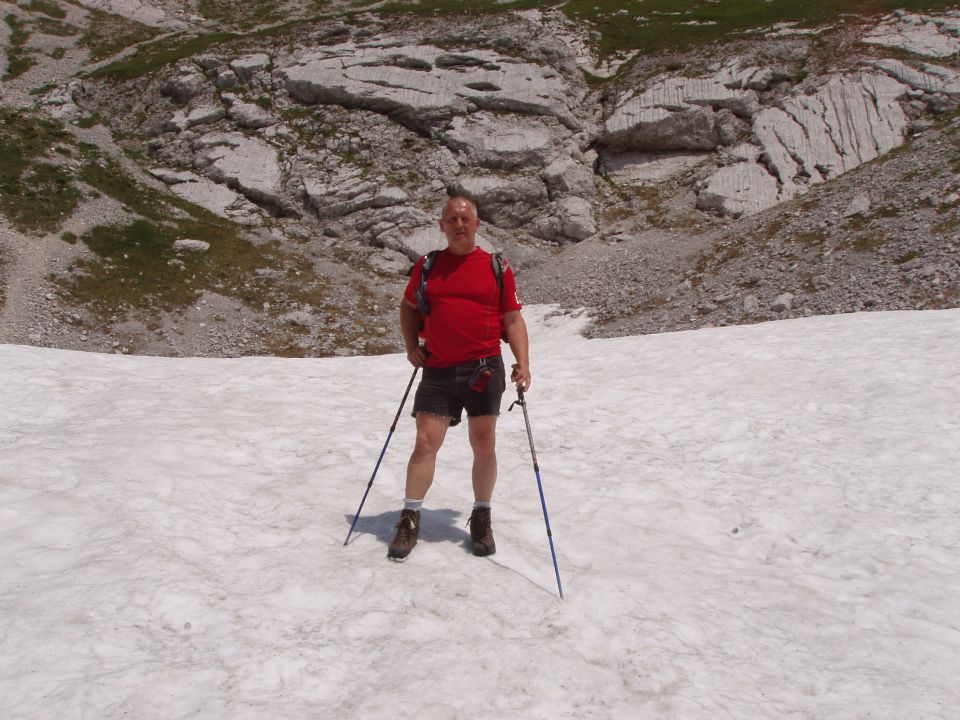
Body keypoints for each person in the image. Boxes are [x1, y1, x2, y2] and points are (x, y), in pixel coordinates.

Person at [388, 195, 531, 561]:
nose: (459, 224)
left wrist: (523, 363)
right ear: (441, 225)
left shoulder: (497, 267)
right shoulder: (428, 265)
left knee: (483, 445)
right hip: (438, 368)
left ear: (478, 224)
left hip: (484, 368)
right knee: (424, 443)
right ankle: (410, 517)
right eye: (452, 219)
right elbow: (408, 308)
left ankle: (481, 515)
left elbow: (513, 319)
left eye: (466, 218)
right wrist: (410, 347)